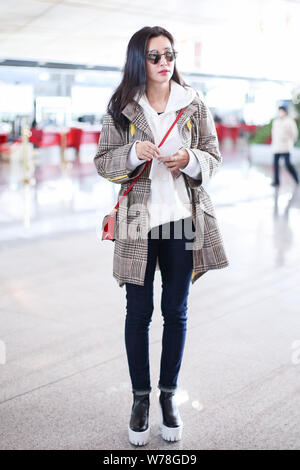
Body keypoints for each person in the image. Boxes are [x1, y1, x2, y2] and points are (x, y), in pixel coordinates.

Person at [94, 26, 229, 446]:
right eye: (154, 56)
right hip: (137, 219)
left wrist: (189, 159)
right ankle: (140, 399)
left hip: (182, 219)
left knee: (177, 310)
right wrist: (134, 154)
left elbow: (213, 155)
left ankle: (168, 397)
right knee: (138, 312)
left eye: (168, 54)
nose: (163, 62)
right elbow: (103, 162)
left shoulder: (193, 103)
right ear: (140, 60)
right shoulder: (122, 106)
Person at [271, 105, 299, 187]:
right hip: (276, 147)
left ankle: (296, 178)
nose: (280, 113)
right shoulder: (276, 121)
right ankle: (276, 181)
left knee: (287, 164)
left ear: (285, 112)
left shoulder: (290, 121)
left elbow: (294, 134)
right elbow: (274, 134)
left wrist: (290, 141)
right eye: (279, 111)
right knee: (275, 164)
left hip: (286, 147)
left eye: (281, 111)